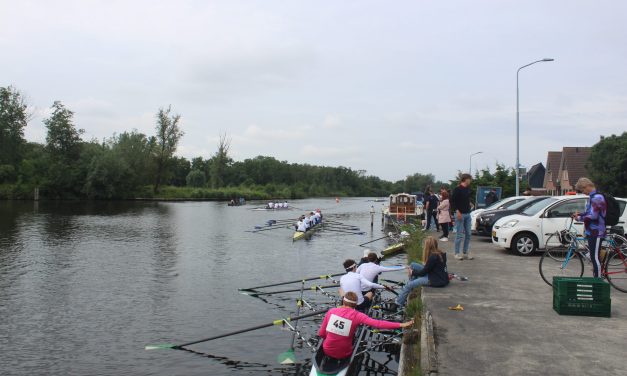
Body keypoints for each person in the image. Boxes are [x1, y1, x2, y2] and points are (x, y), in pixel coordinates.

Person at [318, 291, 414, 361]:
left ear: (343, 301)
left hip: (327, 350)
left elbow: (322, 334)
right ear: (356, 304)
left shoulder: (331, 311)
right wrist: (401, 324)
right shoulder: (358, 316)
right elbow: (378, 324)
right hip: (344, 353)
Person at [395, 236, 449, 307]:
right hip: (439, 276)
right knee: (413, 265)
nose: (424, 247)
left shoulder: (433, 257)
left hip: (434, 280)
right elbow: (429, 268)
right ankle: (410, 286)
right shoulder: (441, 253)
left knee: (408, 285)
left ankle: (398, 303)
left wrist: (412, 272)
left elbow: (423, 272)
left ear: (428, 246)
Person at [573, 177, 607, 278]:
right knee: (593, 256)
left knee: (595, 257)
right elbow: (590, 213)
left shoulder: (597, 198)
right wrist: (581, 214)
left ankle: (598, 281)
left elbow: (594, 216)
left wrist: (579, 218)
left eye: (583, 190)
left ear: (587, 186)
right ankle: (597, 277)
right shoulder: (592, 197)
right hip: (592, 231)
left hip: (596, 231)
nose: (583, 192)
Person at [451, 173, 473, 260]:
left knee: (468, 234)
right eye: (469, 179)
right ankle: (456, 253)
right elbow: (452, 201)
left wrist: (470, 203)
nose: (470, 181)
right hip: (460, 214)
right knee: (459, 235)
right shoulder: (457, 189)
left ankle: (465, 252)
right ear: (465, 179)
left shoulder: (468, 189)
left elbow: (465, 199)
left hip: (468, 214)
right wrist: (457, 211)